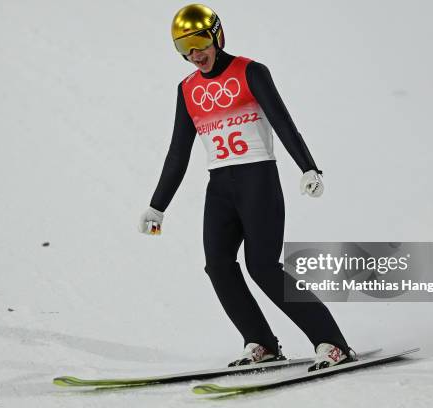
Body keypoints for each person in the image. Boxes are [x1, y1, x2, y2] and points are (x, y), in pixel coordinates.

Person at [139, 4, 353, 371]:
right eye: (183, 48)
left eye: (199, 42)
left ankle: (332, 343)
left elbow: (284, 123)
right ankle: (262, 343)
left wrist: (308, 167)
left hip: (258, 180)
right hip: (220, 185)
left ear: (216, 35)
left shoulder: (250, 71)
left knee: (262, 266)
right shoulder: (187, 89)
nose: (194, 55)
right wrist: (157, 205)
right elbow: (178, 151)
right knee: (218, 265)